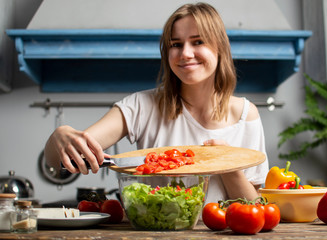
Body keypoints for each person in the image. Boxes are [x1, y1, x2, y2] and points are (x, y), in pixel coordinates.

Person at [44, 2, 269, 203]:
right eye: (176, 44)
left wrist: (228, 166)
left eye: (198, 41)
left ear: (219, 47)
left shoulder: (246, 115)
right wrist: (60, 137)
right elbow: (61, 159)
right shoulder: (141, 106)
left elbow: (255, 208)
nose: (186, 53)